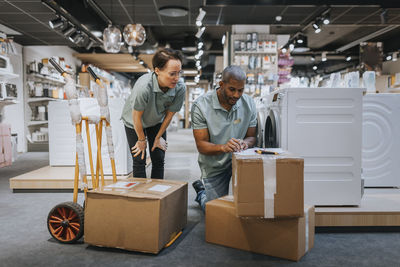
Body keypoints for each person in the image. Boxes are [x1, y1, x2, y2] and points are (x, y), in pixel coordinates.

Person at [191, 65, 257, 211]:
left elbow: (251, 137)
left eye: (241, 90)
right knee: (215, 212)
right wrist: (223, 147)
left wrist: (244, 143)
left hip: (240, 163)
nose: (236, 95)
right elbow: (201, 145)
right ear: (221, 84)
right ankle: (202, 193)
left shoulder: (249, 104)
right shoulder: (201, 106)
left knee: (246, 208)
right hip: (215, 165)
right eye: (232, 89)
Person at [121, 48, 186, 179]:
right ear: (157, 71)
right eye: (172, 74)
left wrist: (158, 137)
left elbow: (169, 115)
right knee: (139, 159)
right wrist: (141, 139)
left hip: (156, 121)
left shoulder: (180, 88)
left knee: (158, 158)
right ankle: (141, 197)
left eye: (179, 73)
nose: (177, 78)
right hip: (134, 121)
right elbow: (136, 116)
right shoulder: (144, 87)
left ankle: (157, 196)